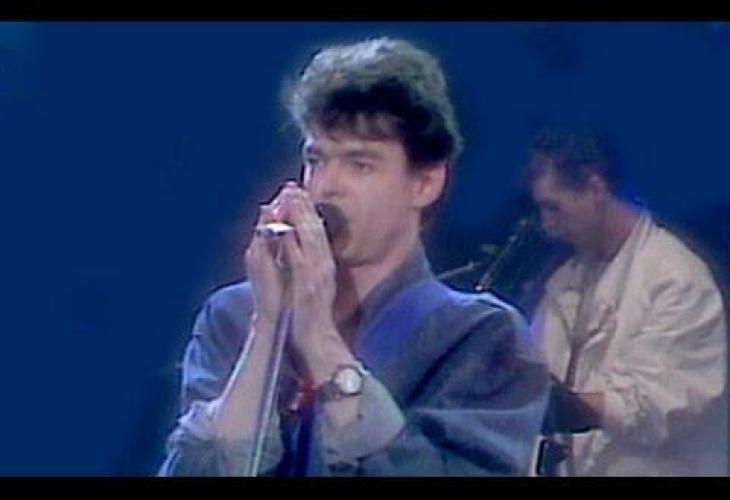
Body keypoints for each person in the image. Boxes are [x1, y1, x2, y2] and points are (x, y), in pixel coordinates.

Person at [157, 37, 549, 477]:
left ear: (425, 183)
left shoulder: (481, 336)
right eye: (316, 160)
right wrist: (266, 328)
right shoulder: (232, 315)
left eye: (360, 164)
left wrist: (320, 340)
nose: (326, 186)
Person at [526, 127, 728, 476]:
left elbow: (657, 407)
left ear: (595, 190)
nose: (548, 226)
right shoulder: (563, 281)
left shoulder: (677, 279)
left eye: (554, 208)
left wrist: (560, 406)